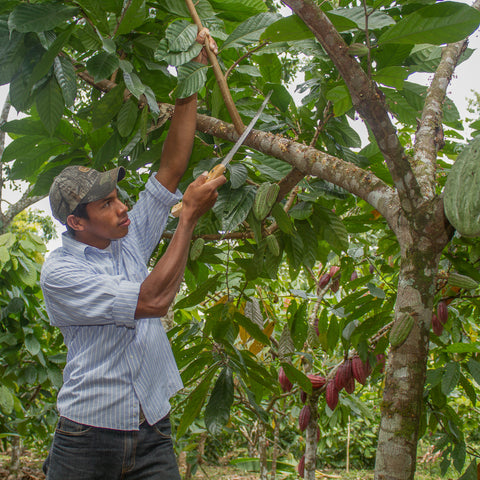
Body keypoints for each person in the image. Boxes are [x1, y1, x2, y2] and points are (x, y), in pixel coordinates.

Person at [40, 29, 226, 480]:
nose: (123, 207)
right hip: (88, 436)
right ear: (77, 223)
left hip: (152, 430)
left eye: (119, 196)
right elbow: (152, 302)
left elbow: (170, 168)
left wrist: (194, 74)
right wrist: (187, 219)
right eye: (106, 204)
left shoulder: (127, 236)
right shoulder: (60, 272)